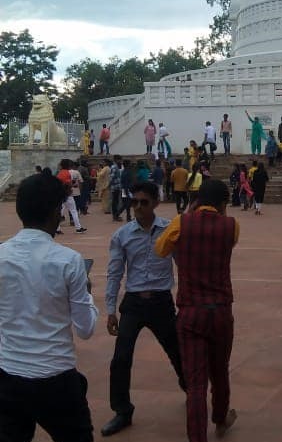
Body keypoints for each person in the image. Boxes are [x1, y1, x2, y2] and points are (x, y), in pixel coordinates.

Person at [0, 171, 98, 441]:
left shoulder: (1, 255)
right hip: (55, 377)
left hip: (9, 375)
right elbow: (86, 328)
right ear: (57, 211)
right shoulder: (68, 261)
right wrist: (87, 295)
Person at [155, 179, 239, 442]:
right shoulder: (231, 227)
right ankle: (220, 417)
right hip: (221, 311)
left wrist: (187, 218)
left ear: (197, 201)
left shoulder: (182, 223)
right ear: (223, 204)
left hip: (191, 312)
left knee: (196, 384)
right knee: (220, 371)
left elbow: (160, 250)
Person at [101, 181, 184, 437]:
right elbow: (115, 273)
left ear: (156, 203)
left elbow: (183, 265)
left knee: (178, 352)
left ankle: (192, 390)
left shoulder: (170, 230)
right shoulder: (122, 235)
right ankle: (122, 410)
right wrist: (111, 309)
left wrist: (186, 301)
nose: (137, 207)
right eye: (134, 201)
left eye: (143, 202)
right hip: (134, 304)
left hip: (161, 302)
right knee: (121, 358)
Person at [56, 158, 87, 234]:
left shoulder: (60, 173)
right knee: (73, 211)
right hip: (67, 194)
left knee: (60, 212)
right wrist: (74, 185)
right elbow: (68, 184)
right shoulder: (67, 173)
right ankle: (78, 228)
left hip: (61, 194)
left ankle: (57, 228)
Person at [110, 155, 123, 222]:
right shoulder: (114, 167)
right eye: (120, 160)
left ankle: (116, 215)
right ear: (117, 160)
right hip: (115, 186)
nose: (121, 161)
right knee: (115, 202)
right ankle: (115, 216)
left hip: (117, 186)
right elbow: (111, 177)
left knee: (116, 201)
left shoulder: (116, 166)